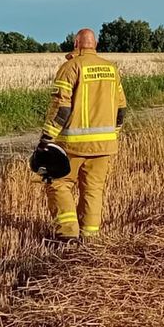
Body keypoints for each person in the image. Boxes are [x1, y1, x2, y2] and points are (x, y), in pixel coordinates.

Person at [40, 28, 127, 243]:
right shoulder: (111, 69)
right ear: (95, 44)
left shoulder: (71, 67)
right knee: (93, 190)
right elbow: (121, 109)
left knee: (58, 184)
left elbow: (62, 109)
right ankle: (90, 239)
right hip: (104, 145)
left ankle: (68, 234)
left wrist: (47, 138)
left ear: (76, 43)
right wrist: (113, 135)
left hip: (73, 145)